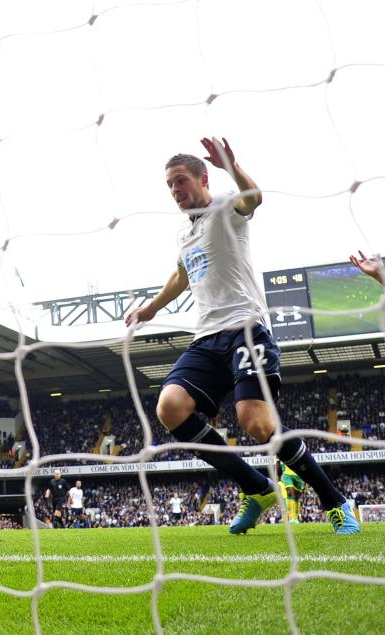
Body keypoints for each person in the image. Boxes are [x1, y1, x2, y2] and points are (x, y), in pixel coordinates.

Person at [125, 137, 359, 534]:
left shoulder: (224, 207)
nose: (175, 191)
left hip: (247, 329)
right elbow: (182, 274)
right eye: (170, 185)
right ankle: (256, 487)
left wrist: (230, 166)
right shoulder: (185, 233)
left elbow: (253, 198)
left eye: (181, 181)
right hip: (206, 337)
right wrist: (151, 308)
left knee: (254, 421)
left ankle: (335, 501)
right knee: (169, 407)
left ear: (202, 179)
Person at [279, 459, 306, 524]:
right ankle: (291, 518)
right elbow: (277, 464)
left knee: (297, 497)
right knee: (290, 493)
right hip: (287, 474)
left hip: (298, 475)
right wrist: (277, 476)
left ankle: (295, 518)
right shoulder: (279, 450)